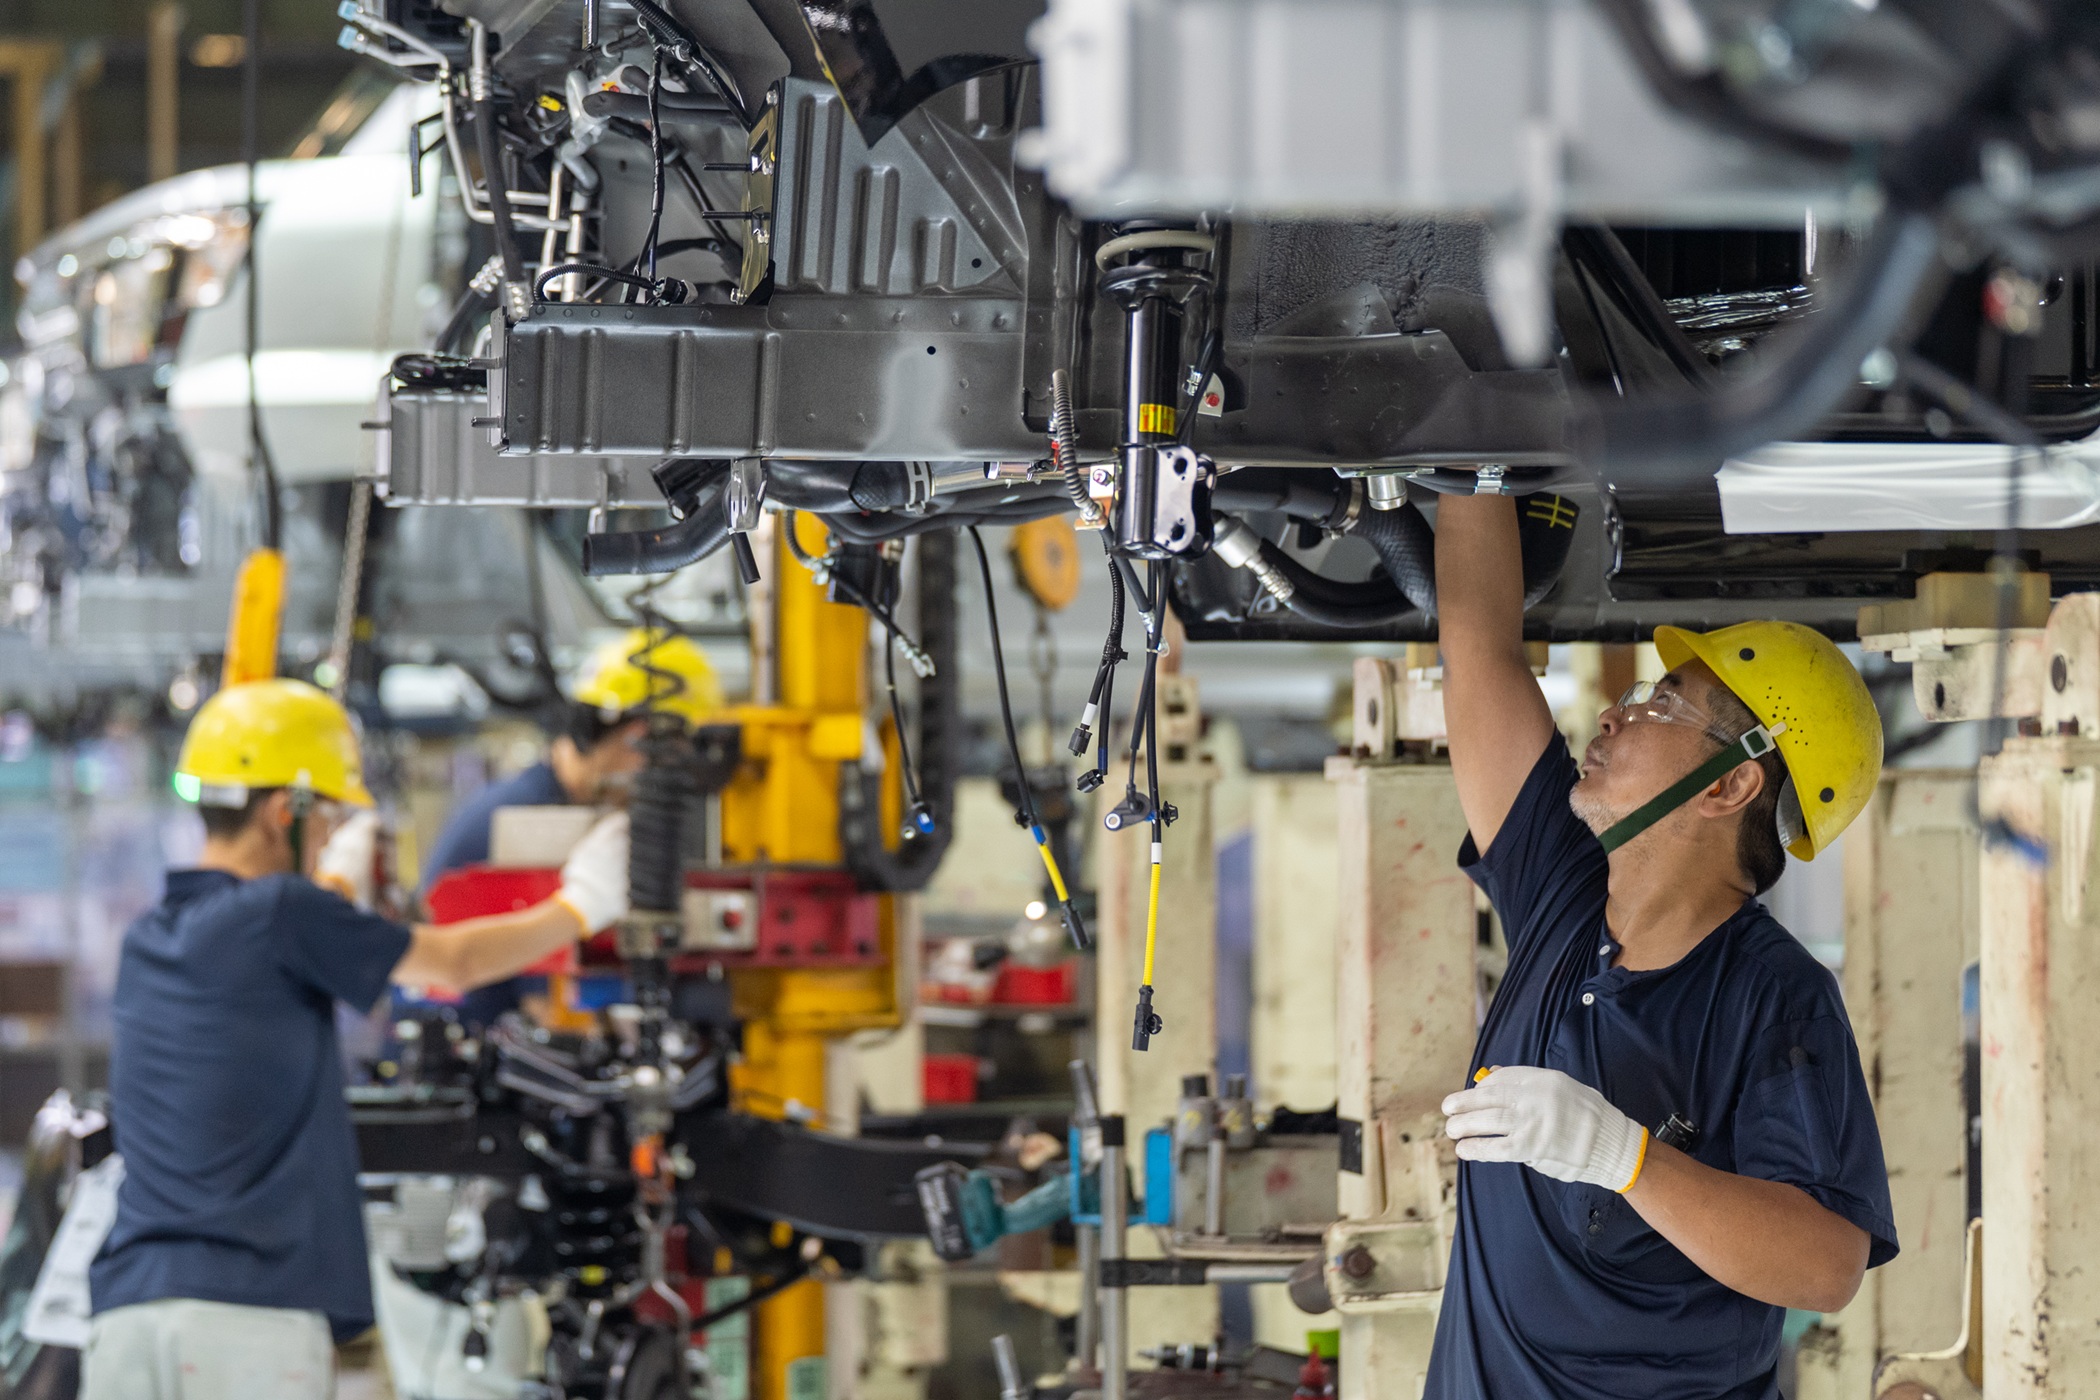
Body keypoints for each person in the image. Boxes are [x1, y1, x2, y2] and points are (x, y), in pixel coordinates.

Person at [1427, 492, 1897, 1399]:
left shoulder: (1773, 998)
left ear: (1732, 786)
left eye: (1660, 704)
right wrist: (1468, 443)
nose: (1612, 714)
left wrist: (1626, 1159)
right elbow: (1478, 645)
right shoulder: (1565, 897)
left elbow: (1825, 1264)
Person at [80, 678, 630, 1400]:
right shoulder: (285, 912)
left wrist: (334, 878)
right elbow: (455, 965)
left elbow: (281, 931)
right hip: (244, 1325)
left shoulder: (152, 938)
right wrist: (581, 903)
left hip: (127, 1319)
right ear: (284, 810)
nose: (330, 834)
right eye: (328, 817)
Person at [407, 628, 722, 1027]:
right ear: (638, 739)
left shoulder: (541, 800)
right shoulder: (528, 823)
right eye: (674, 763)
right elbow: (548, 1012)